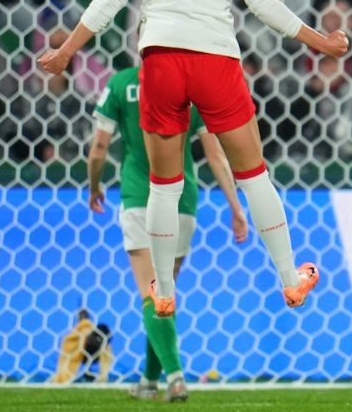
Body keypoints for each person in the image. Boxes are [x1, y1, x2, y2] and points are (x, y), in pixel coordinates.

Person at [38, 0, 349, 317]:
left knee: (165, 184)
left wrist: (66, 51)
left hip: (158, 60)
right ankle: (290, 280)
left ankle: (162, 291)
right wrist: (320, 42)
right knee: (253, 175)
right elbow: (261, 4)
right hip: (213, 60)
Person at [89, 64, 249, 401]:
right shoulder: (192, 88)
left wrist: (94, 186)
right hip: (182, 200)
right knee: (163, 291)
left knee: (152, 294)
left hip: (139, 196)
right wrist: (236, 207)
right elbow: (215, 154)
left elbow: (99, 148)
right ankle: (149, 381)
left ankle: (175, 376)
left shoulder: (120, 84)